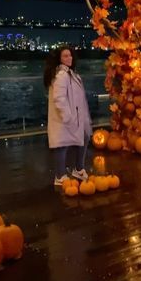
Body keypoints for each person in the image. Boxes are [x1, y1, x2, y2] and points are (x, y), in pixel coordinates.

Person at [44, 47, 92, 186]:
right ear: (59, 59)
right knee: (62, 145)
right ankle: (60, 176)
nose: (69, 58)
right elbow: (59, 98)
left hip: (76, 116)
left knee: (84, 136)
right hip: (66, 118)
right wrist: (67, 117)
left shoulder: (70, 73)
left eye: (70, 55)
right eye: (65, 56)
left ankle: (78, 168)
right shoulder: (62, 75)